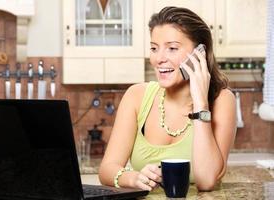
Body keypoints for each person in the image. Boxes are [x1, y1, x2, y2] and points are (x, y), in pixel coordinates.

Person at [99, 6, 236, 192]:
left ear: (199, 53)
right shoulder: (136, 96)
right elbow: (107, 169)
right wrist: (134, 178)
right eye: (154, 48)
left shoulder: (222, 101)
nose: (159, 59)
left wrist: (200, 103)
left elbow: (206, 181)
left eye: (172, 48)